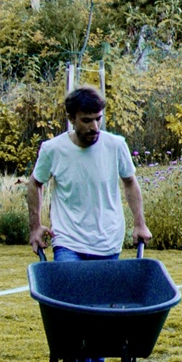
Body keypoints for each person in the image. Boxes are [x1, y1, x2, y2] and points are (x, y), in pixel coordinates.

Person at [27, 87, 150, 260]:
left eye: (98, 119)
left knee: (103, 288)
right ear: (71, 118)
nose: (94, 127)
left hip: (108, 241)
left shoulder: (116, 145)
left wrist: (140, 224)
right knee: (71, 286)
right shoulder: (53, 149)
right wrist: (35, 227)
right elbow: (35, 183)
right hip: (68, 241)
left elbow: (130, 182)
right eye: (86, 120)